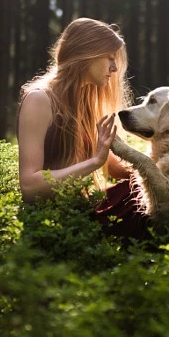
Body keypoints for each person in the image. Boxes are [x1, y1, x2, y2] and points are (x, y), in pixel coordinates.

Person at [16, 17, 150, 239]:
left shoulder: (85, 103)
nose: (114, 68)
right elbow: (29, 186)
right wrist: (94, 162)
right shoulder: (40, 100)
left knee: (144, 196)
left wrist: (162, 170)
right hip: (52, 221)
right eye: (109, 58)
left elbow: (117, 169)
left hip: (81, 210)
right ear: (87, 53)